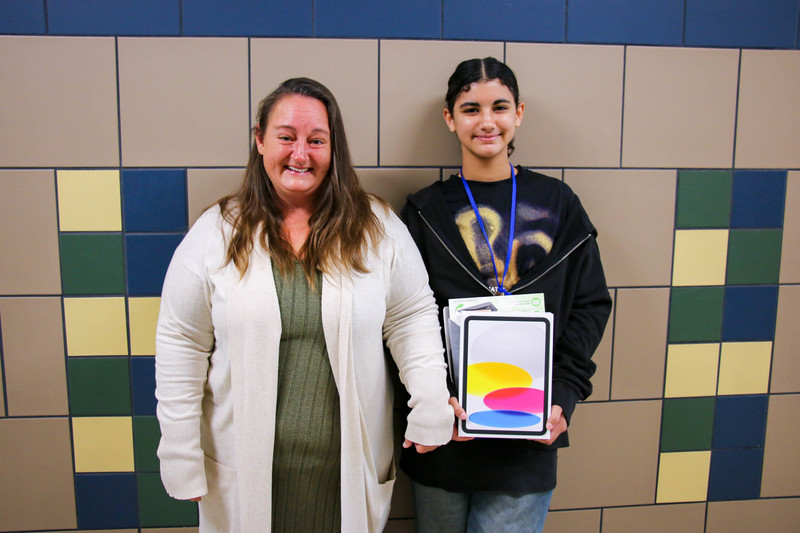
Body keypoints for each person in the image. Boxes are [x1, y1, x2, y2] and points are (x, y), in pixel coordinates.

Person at [155, 77, 454, 533]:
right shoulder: (216, 232)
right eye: (286, 137)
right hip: (242, 473)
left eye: (317, 140)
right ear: (259, 139)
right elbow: (181, 340)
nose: (301, 154)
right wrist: (178, 447)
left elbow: (411, 317)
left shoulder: (377, 228)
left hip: (345, 477)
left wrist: (430, 401)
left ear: (334, 149)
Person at [399, 57, 612, 533]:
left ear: (519, 112)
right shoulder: (424, 210)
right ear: (450, 119)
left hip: (526, 439)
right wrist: (430, 401)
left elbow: (591, 304)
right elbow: (401, 319)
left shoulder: (559, 204)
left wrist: (564, 395)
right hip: (446, 435)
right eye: (470, 108)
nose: (486, 121)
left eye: (499, 106)